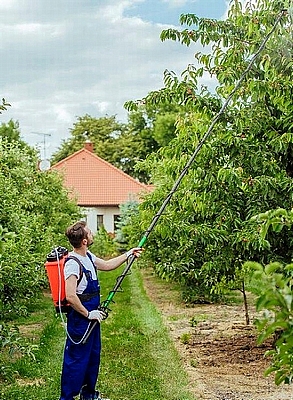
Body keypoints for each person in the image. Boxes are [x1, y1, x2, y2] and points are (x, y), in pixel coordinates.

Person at [59, 221, 143, 400]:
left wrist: (128, 254)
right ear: (84, 241)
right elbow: (71, 296)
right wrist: (88, 314)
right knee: (76, 360)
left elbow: (106, 265)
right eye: (89, 233)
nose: (92, 234)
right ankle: (66, 398)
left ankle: (89, 395)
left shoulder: (87, 256)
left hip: (92, 316)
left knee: (92, 357)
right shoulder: (72, 264)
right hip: (80, 318)